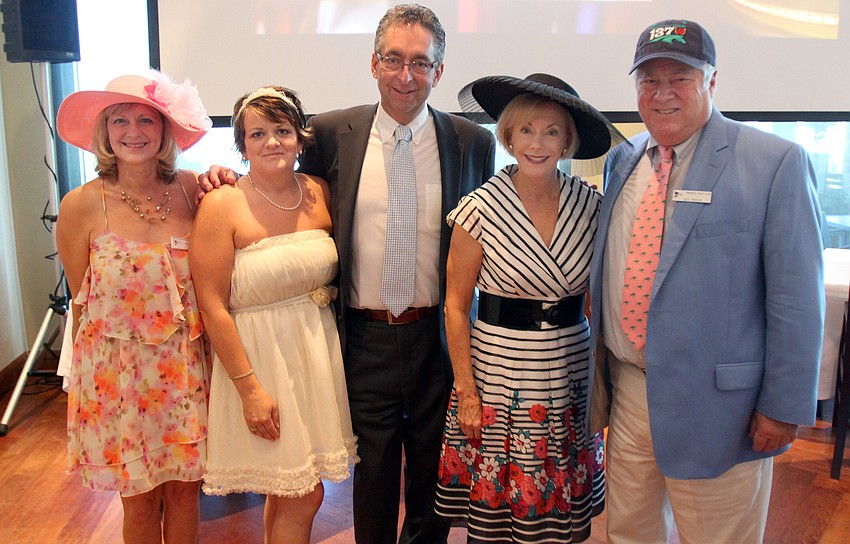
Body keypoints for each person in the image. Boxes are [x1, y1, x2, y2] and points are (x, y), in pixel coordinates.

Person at [201, 5, 495, 542]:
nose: (406, 75)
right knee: (374, 467)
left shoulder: (471, 142)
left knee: (434, 469)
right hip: (361, 335)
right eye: (394, 60)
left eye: (421, 63)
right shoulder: (335, 134)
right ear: (374, 63)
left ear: (440, 71)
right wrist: (220, 174)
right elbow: (276, 180)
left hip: (437, 332)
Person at [588, 19, 824, 543]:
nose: (663, 93)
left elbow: (797, 300)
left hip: (722, 410)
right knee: (628, 532)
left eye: (681, 78)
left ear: (711, 82)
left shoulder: (774, 162)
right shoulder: (624, 159)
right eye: (650, 80)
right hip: (630, 392)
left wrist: (782, 407)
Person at [435, 73, 621, 543]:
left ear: (568, 142)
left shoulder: (593, 206)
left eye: (552, 131)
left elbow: (598, 305)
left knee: (564, 515)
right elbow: (455, 308)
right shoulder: (478, 209)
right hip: (499, 375)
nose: (537, 143)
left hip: (569, 373)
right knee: (499, 519)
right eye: (526, 130)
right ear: (509, 135)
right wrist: (467, 392)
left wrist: (605, 381)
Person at [190, 86, 357, 544]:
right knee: (303, 494)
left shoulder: (320, 193)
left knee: (289, 492)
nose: (272, 142)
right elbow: (212, 304)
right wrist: (249, 390)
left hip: (313, 354)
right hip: (259, 362)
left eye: (282, 130)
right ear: (241, 145)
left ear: (301, 138)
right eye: (257, 133)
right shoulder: (221, 203)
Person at [55, 72, 212, 544]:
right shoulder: (81, 205)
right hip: (117, 378)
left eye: (146, 119)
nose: (133, 131)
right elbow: (81, 303)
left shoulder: (193, 190)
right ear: (104, 132)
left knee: (187, 494)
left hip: (186, 371)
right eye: (119, 120)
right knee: (139, 498)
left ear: (165, 129)